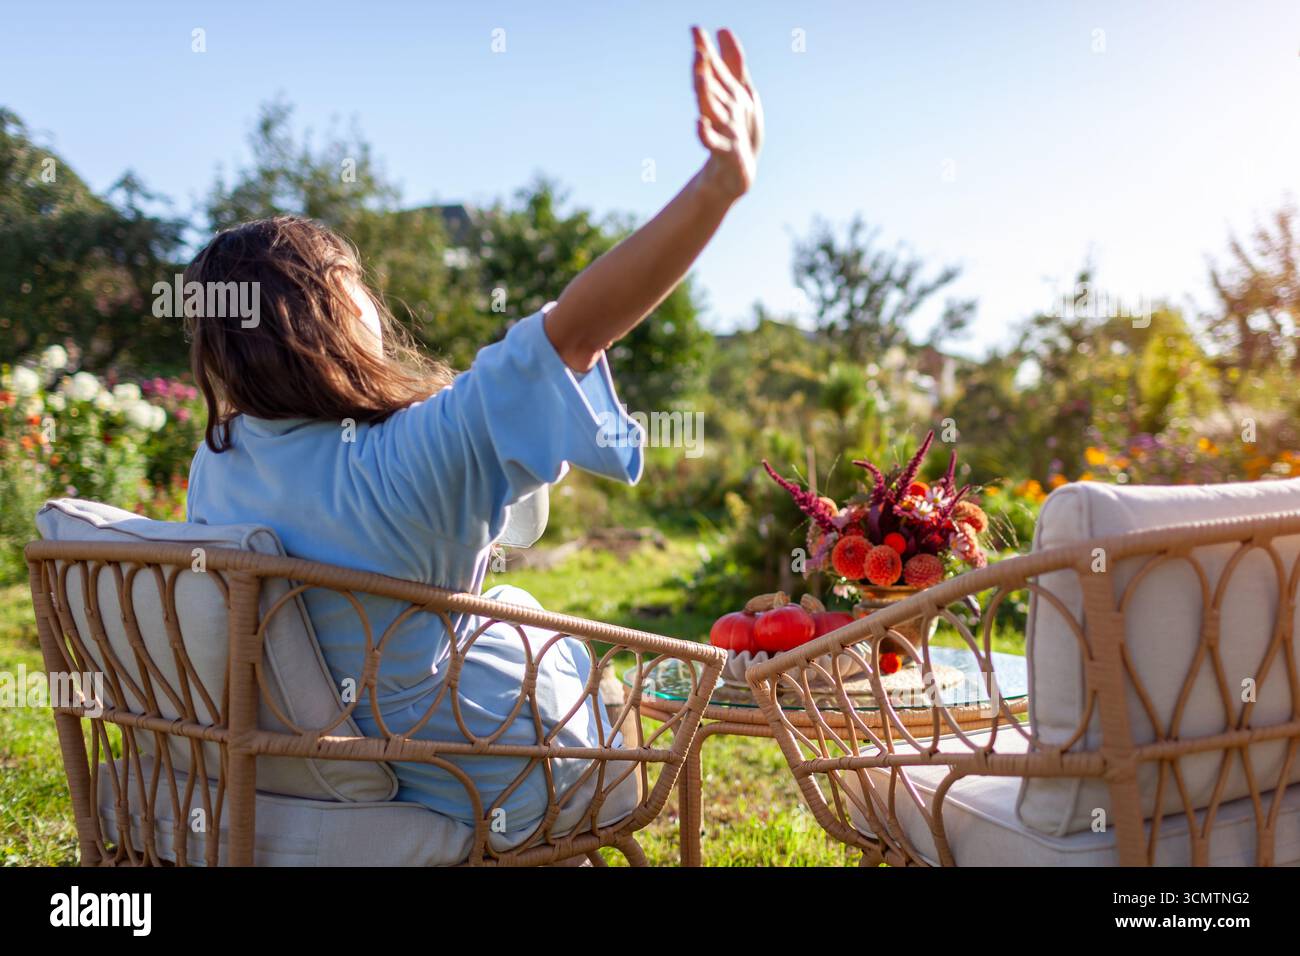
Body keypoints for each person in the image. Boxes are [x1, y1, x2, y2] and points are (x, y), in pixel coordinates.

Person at [183, 26, 763, 834]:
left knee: (532, 633)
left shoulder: (219, 465)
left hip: (299, 779)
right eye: (354, 287)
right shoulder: (410, 456)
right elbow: (570, 333)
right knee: (594, 679)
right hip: (475, 783)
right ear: (333, 317)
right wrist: (717, 188)